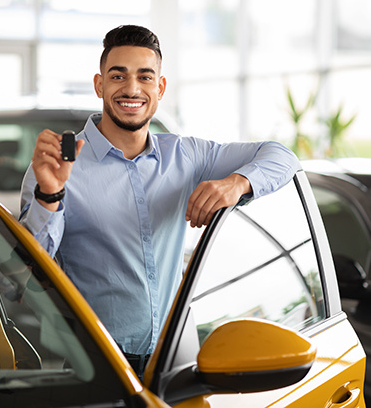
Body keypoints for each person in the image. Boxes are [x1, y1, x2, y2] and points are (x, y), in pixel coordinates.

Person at [19, 24, 300, 378]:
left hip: (174, 359)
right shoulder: (59, 166)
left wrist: (237, 183)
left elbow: (282, 157)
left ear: (160, 87)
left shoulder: (187, 155)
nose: (132, 88)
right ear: (99, 84)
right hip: (95, 365)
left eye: (145, 77)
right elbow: (24, 272)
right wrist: (50, 196)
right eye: (118, 76)